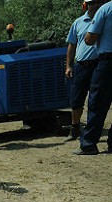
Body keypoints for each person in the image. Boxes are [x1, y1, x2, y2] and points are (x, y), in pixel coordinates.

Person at [76, 0, 112, 155]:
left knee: (97, 102)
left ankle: (89, 143)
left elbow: (90, 39)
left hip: (107, 61)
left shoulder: (105, 9)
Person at [65, 0, 101, 142]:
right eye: (91, 3)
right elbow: (71, 45)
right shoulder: (78, 23)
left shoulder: (103, 19)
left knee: (96, 99)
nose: (94, 6)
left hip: (98, 64)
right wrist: (68, 66)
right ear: (85, 5)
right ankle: (75, 128)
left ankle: (93, 129)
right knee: (76, 98)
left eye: (96, 3)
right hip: (81, 65)